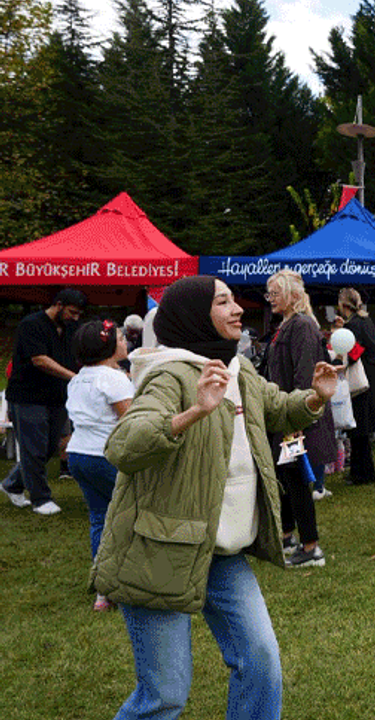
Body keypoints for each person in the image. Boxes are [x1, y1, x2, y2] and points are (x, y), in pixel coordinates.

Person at [93, 275, 336, 720]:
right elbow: (124, 446)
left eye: (233, 300)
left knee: (261, 661)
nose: (237, 309)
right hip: (159, 550)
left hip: (221, 551)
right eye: (222, 302)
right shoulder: (170, 374)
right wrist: (194, 412)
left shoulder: (237, 368)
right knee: (165, 695)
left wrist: (316, 399)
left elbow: (277, 405)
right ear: (192, 315)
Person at [264, 270, 335, 568]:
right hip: (284, 415)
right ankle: (287, 534)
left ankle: (310, 546)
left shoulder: (302, 326)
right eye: (269, 293)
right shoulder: (286, 325)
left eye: (275, 293)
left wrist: (298, 416)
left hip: (297, 419)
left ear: (293, 295)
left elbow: (306, 376)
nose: (270, 299)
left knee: (295, 478)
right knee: (285, 477)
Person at [65, 319, 133, 611]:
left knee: (99, 518)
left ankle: (103, 592)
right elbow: (130, 421)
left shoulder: (78, 377)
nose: (125, 341)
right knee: (130, 516)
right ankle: (129, 581)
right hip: (107, 456)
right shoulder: (114, 379)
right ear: (107, 346)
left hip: (78, 454)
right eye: (120, 337)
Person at [2, 288, 86, 515]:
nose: (75, 318)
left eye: (78, 314)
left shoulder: (70, 328)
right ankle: (41, 499)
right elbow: (40, 360)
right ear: (58, 305)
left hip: (57, 398)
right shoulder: (32, 325)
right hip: (27, 396)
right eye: (72, 312)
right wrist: (74, 377)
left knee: (49, 447)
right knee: (34, 448)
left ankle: (12, 484)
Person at [336, 287, 375, 486]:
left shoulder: (354, 326)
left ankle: (362, 473)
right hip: (372, 376)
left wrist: (340, 361)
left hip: (361, 380)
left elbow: (356, 351)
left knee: (358, 428)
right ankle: (363, 471)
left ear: (343, 305)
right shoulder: (366, 321)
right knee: (362, 429)